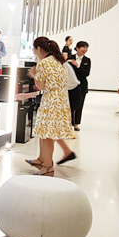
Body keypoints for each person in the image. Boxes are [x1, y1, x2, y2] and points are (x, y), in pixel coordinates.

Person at [25, 37, 76, 176]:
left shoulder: (43, 63)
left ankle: (47, 166)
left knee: (47, 134)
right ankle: (42, 159)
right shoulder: (59, 61)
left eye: (34, 49)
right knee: (45, 131)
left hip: (50, 100)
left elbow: (41, 86)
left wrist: (34, 75)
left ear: (39, 48)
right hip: (62, 99)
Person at [67, 41, 91, 131]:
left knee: (79, 105)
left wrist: (78, 66)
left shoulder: (87, 60)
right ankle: (69, 123)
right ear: (77, 48)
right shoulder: (70, 58)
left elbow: (86, 73)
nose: (85, 49)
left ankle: (76, 123)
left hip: (82, 85)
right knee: (70, 104)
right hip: (70, 84)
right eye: (83, 47)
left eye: (86, 47)